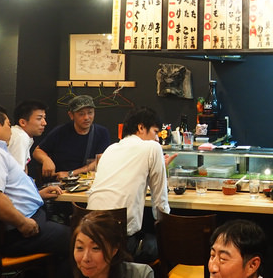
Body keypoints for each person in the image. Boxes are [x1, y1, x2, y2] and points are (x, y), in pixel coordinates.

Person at [0, 104, 70, 259]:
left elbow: (6, 191)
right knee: (78, 239)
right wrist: (22, 223)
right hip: (17, 233)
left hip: (16, 228)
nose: (11, 130)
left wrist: (37, 194)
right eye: (8, 125)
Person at [87, 106, 174, 263]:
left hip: (89, 234)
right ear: (141, 127)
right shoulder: (152, 147)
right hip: (121, 243)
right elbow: (160, 203)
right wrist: (167, 226)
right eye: (155, 132)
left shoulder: (110, 149)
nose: (157, 139)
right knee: (165, 245)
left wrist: (158, 166)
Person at [33, 95, 110, 179]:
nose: (86, 117)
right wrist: (46, 159)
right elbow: (37, 151)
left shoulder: (101, 132)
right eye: (81, 114)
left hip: (87, 181)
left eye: (90, 113)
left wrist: (71, 173)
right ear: (71, 115)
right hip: (61, 181)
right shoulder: (60, 131)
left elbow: (100, 160)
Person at [72, 210, 153, 278]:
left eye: (95, 248)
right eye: (80, 248)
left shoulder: (140, 274)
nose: (85, 258)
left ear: (114, 249)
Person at [9, 100, 48, 172]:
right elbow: (17, 173)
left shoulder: (20, 134)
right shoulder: (20, 137)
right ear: (23, 122)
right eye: (39, 118)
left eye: (44, 118)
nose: (44, 123)